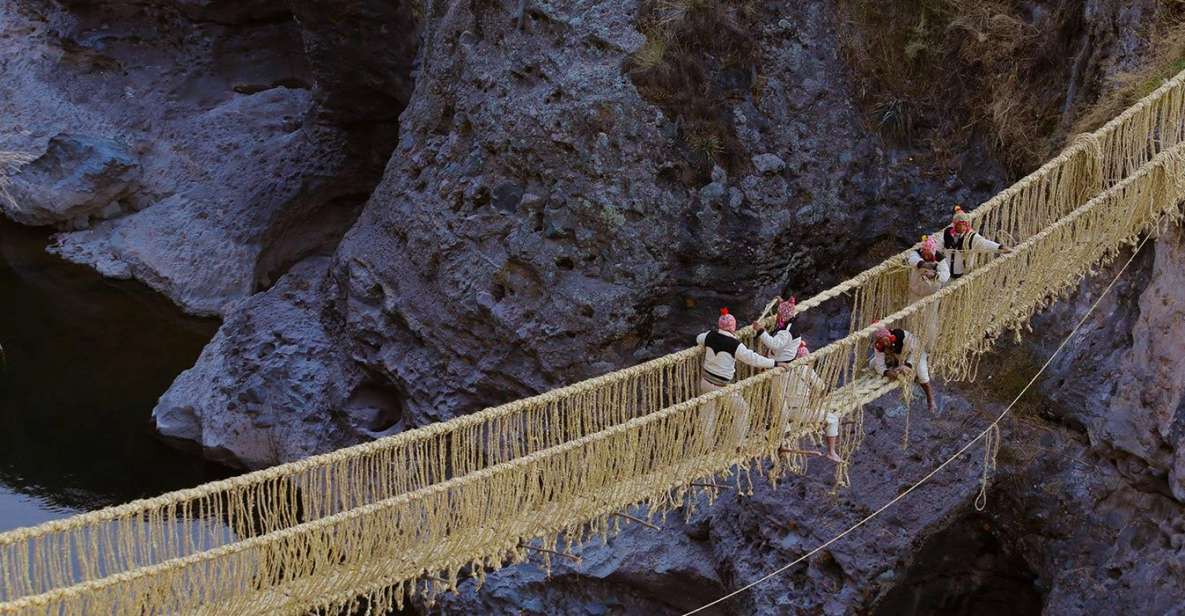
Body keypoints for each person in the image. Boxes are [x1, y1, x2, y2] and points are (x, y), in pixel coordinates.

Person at [696, 307, 775, 447]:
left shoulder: (709, 336)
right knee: (742, 410)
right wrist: (774, 363)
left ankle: (706, 446)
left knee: (707, 414)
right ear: (733, 327)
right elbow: (753, 359)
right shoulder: (735, 345)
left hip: (706, 382)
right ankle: (736, 444)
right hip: (722, 386)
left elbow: (698, 338)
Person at [773, 340, 843, 463]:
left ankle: (785, 438)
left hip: (784, 414)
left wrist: (784, 426)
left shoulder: (777, 375)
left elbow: (778, 400)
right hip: (800, 412)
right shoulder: (805, 369)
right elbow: (821, 386)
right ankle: (832, 452)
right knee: (832, 419)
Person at [871, 325, 936, 413]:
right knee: (872, 364)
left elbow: (917, 351)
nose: (885, 344)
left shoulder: (903, 335)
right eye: (882, 342)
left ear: (890, 336)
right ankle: (898, 366)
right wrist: (887, 372)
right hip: (896, 356)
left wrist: (907, 365)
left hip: (915, 353)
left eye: (886, 340)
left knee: (922, 373)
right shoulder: (879, 346)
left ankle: (930, 398)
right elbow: (879, 364)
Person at [942, 206, 1009, 279]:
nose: (961, 227)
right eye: (959, 225)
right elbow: (939, 245)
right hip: (947, 273)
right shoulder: (948, 233)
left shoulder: (971, 237)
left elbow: (984, 243)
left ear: (967, 224)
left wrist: (1000, 247)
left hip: (964, 276)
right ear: (955, 225)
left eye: (964, 224)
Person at [906, 234, 950, 345]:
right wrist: (925, 265)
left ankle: (930, 345)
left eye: (928, 253)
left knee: (930, 321)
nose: (926, 255)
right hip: (915, 292)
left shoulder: (939, 259)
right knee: (913, 318)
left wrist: (935, 274)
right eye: (924, 252)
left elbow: (946, 275)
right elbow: (912, 259)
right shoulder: (916, 254)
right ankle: (913, 343)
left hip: (932, 295)